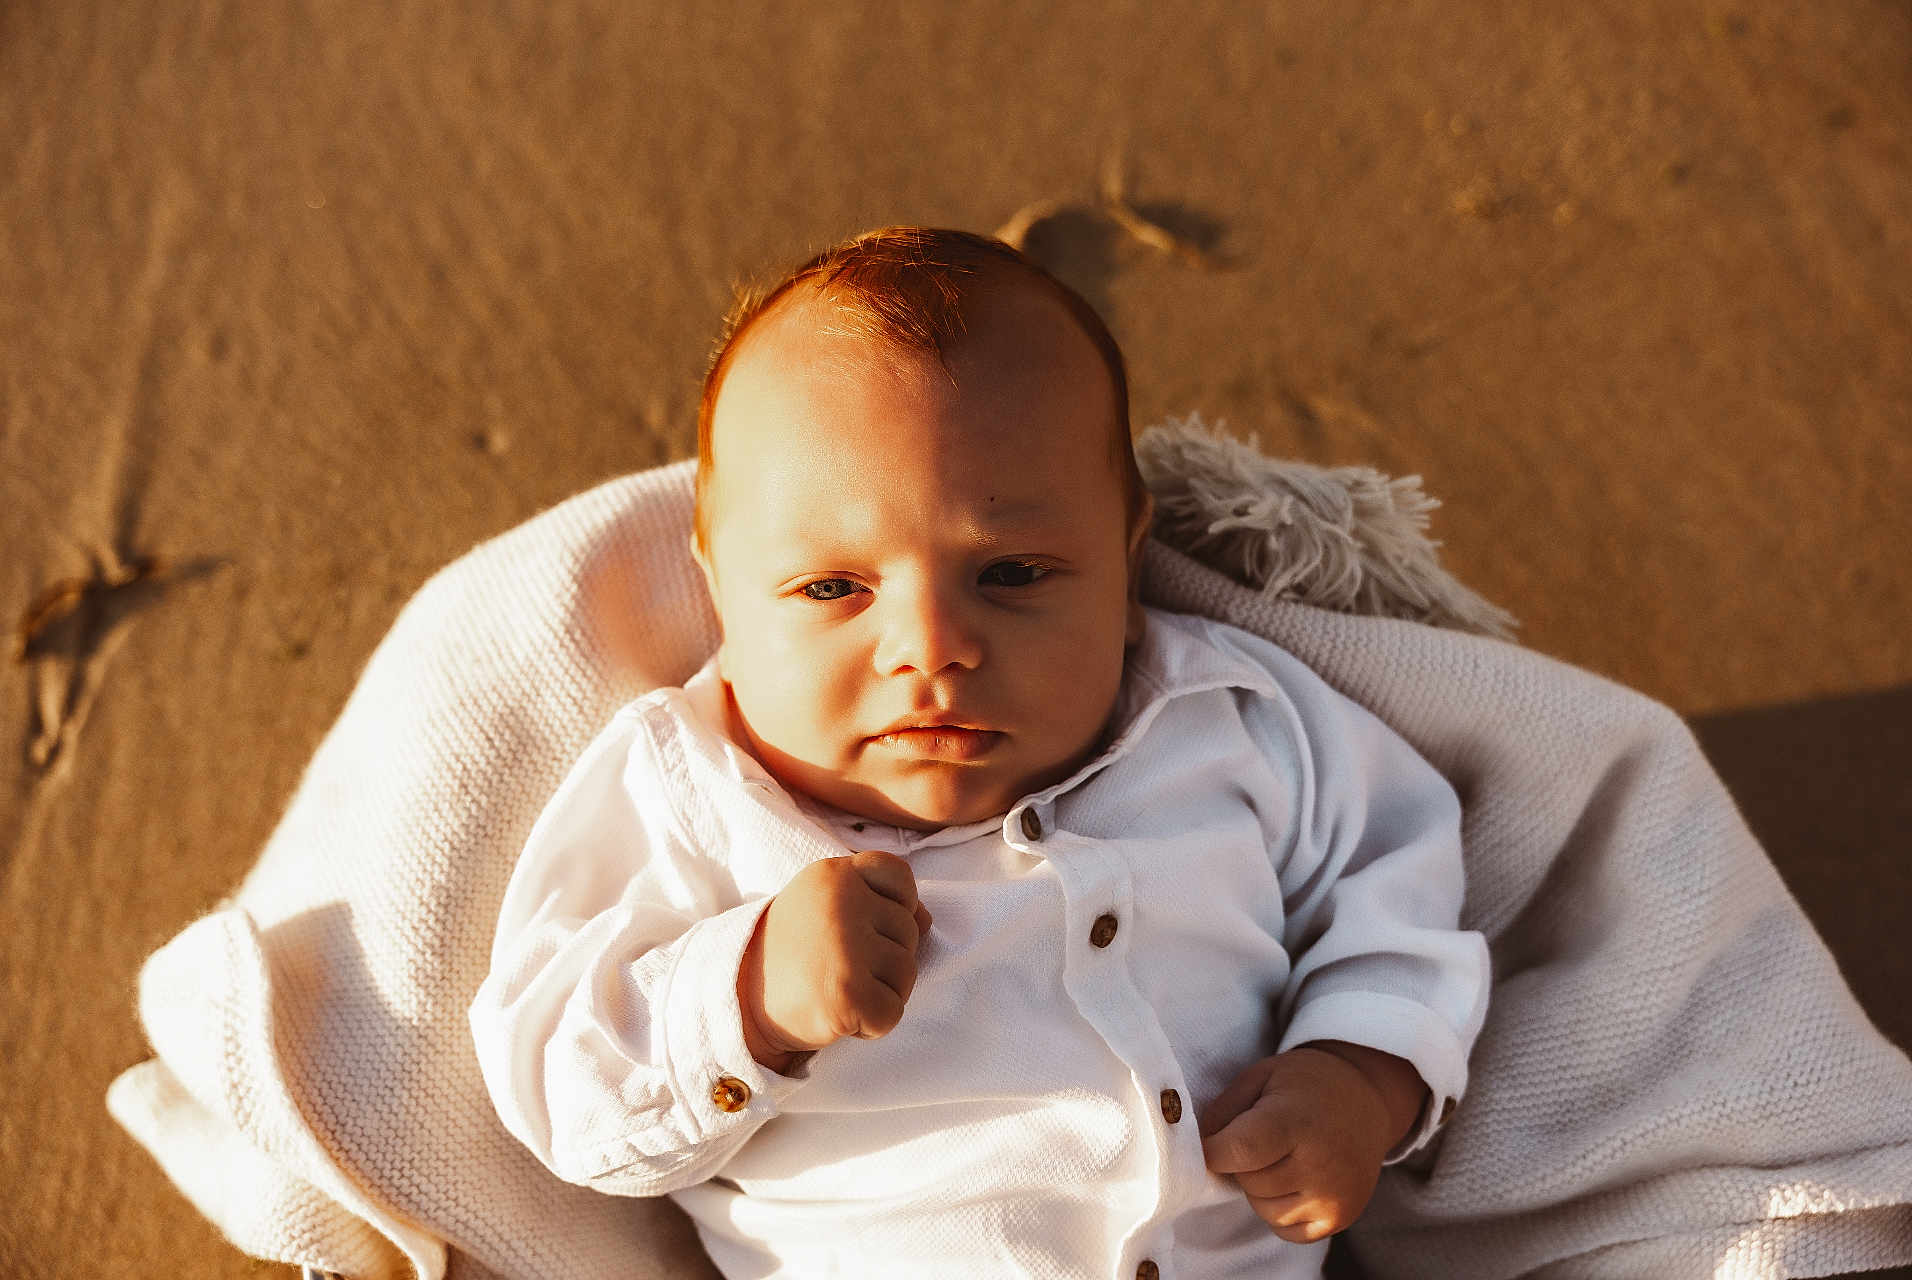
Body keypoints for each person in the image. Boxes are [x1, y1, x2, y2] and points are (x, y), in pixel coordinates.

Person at [468, 226, 1490, 1280]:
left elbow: (1397, 880)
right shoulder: (691, 793)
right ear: (720, 587)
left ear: (1127, 562)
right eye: (834, 588)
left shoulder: (1229, 720)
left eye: (1012, 573)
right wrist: (749, 993)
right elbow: (552, 1074)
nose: (933, 647)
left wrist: (1363, 1078)